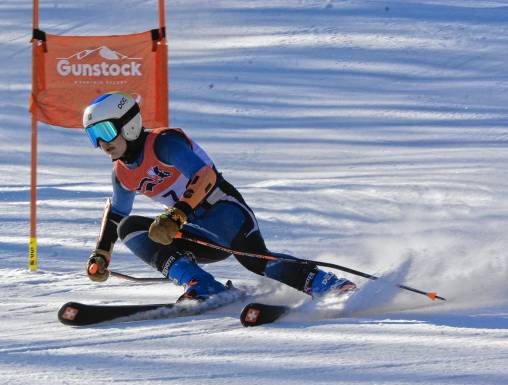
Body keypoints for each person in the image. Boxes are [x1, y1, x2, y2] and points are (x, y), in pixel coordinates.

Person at [82, 91, 356, 301]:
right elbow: (118, 213)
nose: (102, 144)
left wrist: (177, 214)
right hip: (194, 231)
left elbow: (206, 177)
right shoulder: (121, 174)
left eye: (105, 131)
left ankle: (327, 283)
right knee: (129, 228)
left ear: (129, 124)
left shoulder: (163, 143)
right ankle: (202, 286)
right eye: (94, 136)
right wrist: (102, 254)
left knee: (255, 261)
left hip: (224, 212)